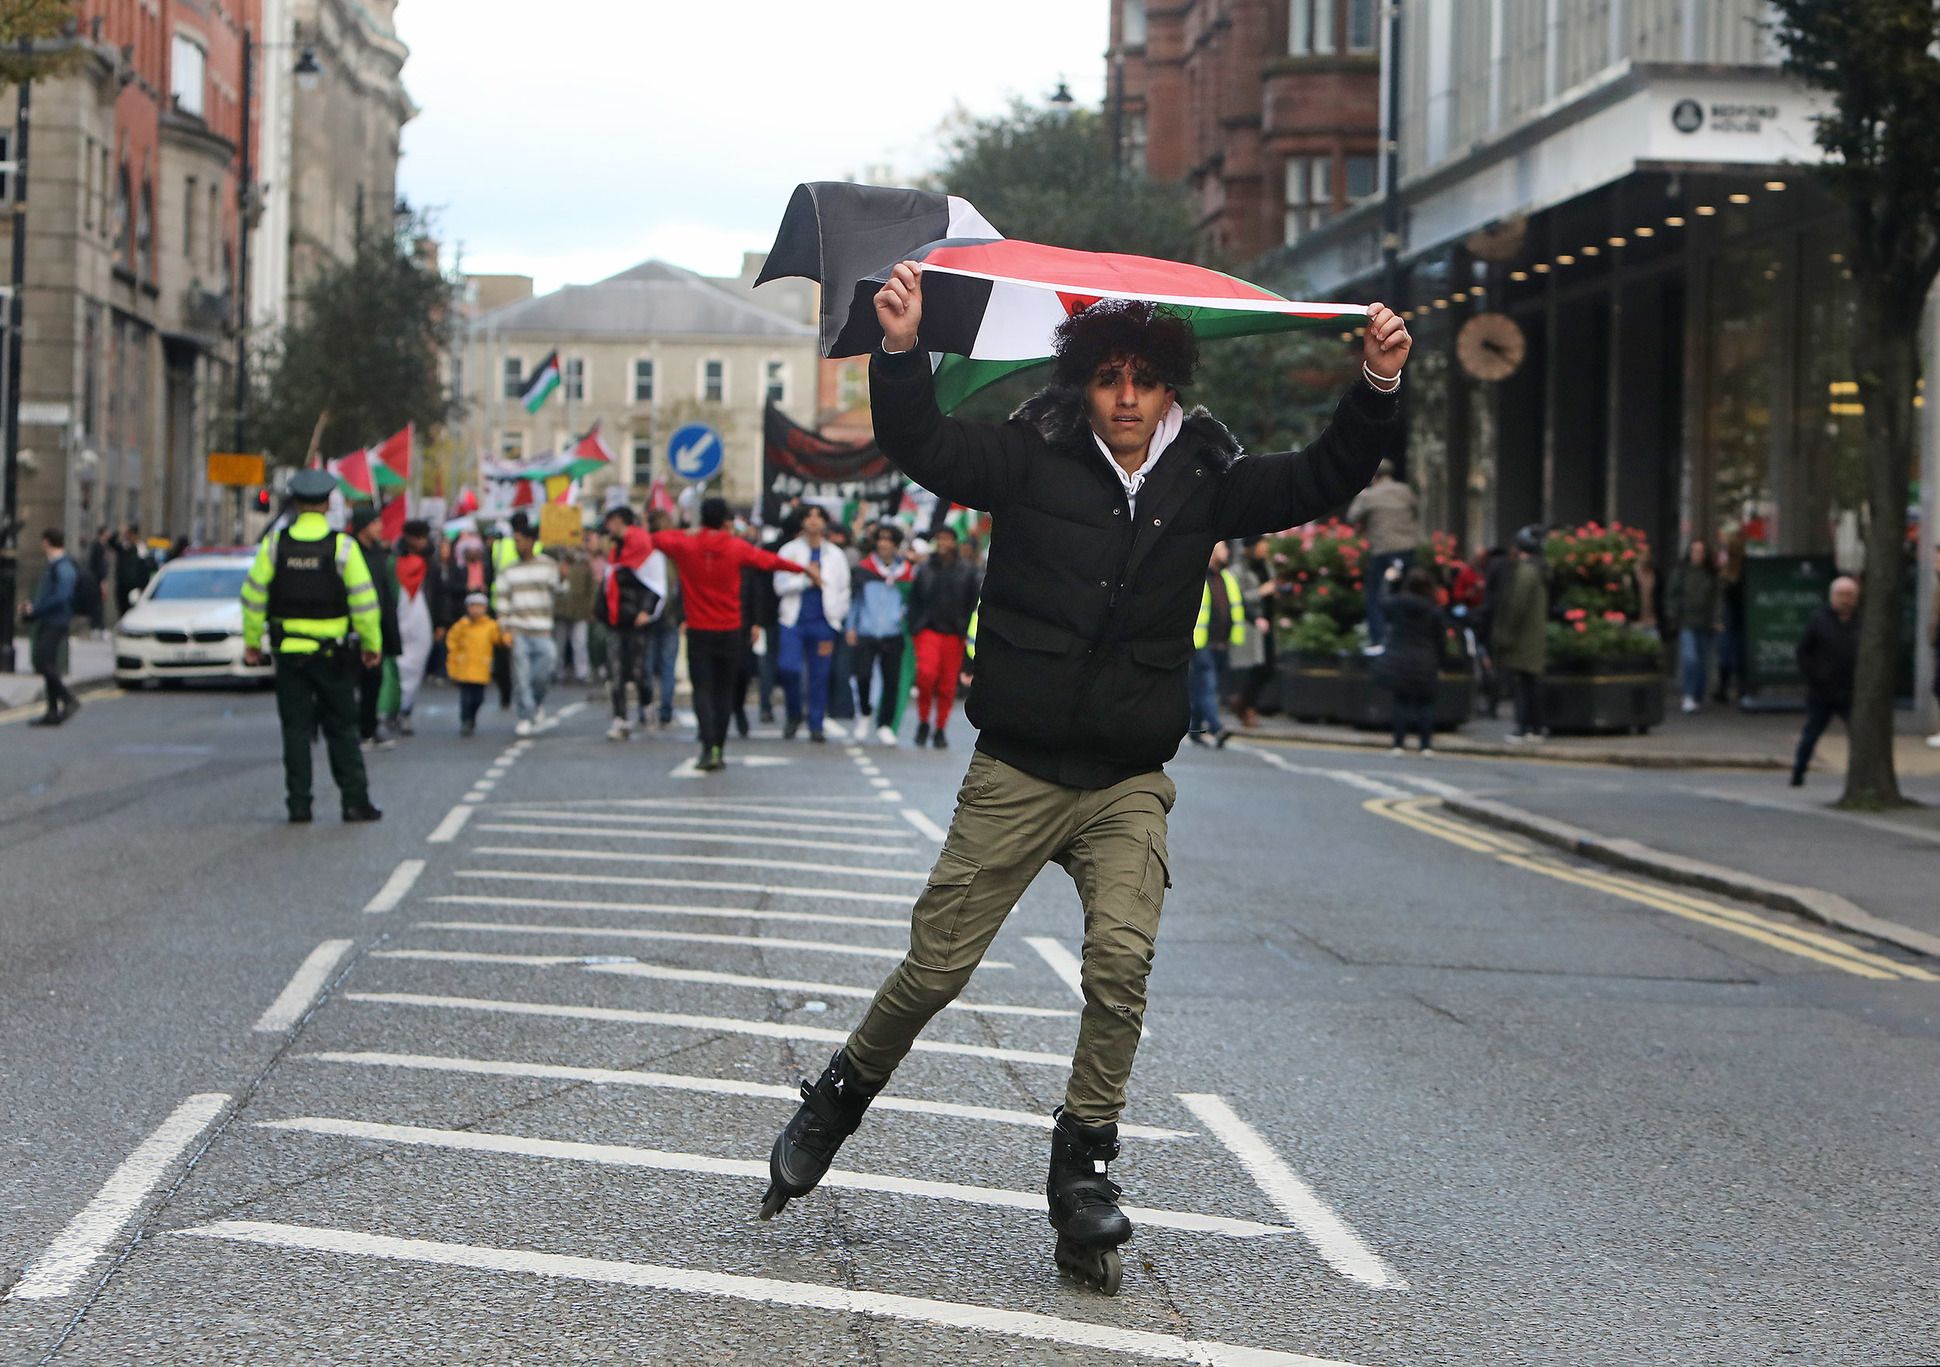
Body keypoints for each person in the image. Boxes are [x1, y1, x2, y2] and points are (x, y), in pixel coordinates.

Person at [758, 269, 1409, 1296]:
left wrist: (1374, 386)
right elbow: (925, 443)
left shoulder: (1207, 469)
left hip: (1124, 777)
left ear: (1167, 387)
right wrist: (898, 350)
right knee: (934, 971)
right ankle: (836, 1096)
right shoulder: (1030, 452)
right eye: (1107, 376)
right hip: (1017, 763)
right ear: (1083, 380)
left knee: (1119, 959)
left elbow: (1319, 480)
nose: (1124, 397)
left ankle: (1083, 1169)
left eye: (1143, 379)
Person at [239, 468, 382, 824]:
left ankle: (299, 805)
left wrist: (253, 641)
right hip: (332, 655)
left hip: (289, 653)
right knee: (342, 728)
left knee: (296, 731)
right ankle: (354, 802)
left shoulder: (275, 544)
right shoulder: (343, 546)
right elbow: (364, 603)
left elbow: (253, 596)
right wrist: (371, 643)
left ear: (297, 503)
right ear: (328, 502)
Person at [651, 496, 817, 771]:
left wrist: (686, 531)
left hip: (698, 630)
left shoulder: (685, 543)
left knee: (702, 690)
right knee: (724, 692)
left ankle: (707, 747)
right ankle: (719, 746)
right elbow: (769, 561)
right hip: (730, 630)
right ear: (727, 521)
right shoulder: (735, 546)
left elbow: (654, 539)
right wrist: (804, 570)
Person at [775, 505, 852, 742]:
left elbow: (842, 589)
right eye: (809, 516)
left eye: (819, 516)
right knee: (789, 668)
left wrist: (836, 618)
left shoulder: (835, 555)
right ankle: (794, 713)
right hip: (793, 622)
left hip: (823, 623)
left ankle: (816, 723)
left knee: (820, 675)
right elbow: (780, 585)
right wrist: (806, 580)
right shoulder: (789, 550)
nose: (814, 521)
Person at [907, 524, 978, 748]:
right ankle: (923, 720)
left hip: (954, 634)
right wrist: (915, 626)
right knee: (926, 676)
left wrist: (965, 630)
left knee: (947, 685)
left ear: (955, 542)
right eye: (940, 539)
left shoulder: (967, 571)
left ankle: (939, 727)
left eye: (948, 539)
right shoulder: (926, 568)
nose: (944, 544)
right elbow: (915, 599)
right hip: (928, 629)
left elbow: (971, 603)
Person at [847, 522, 915, 745]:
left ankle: (885, 724)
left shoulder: (906, 572)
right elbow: (855, 601)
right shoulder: (864, 569)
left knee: (891, 680)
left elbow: (913, 602)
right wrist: (851, 627)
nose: (884, 544)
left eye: (889, 540)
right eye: (881, 539)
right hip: (867, 631)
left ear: (896, 544)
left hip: (893, 633)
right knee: (863, 676)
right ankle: (864, 714)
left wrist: (903, 615)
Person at [1791, 576, 1860, 787]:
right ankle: (1798, 772)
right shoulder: (1819, 620)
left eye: (1849, 595)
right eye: (1841, 595)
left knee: (1859, 735)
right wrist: (1815, 676)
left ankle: (1857, 776)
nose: (1845, 600)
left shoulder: (1862, 621)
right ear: (1832, 597)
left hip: (1851, 690)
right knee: (1811, 733)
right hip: (1823, 689)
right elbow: (1803, 652)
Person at [1346, 459, 1421, 647]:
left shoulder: (1368, 495)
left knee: (1375, 597)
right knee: (1408, 594)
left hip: (1383, 551)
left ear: (1373, 476)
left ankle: (1380, 641)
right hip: (1407, 550)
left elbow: (1352, 517)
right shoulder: (1405, 491)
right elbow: (1416, 511)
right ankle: (1407, 639)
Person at [600, 510, 661, 742]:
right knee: (616, 672)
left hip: (636, 619)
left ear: (619, 522)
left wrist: (646, 610)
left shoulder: (642, 549)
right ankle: (620, 718)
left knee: (638, 671)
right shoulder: (616, 551)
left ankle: (646, 704)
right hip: (616, 619)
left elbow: (652, 583)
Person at [496, 513, 559, 737]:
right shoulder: (509, 570)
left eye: (520, 540)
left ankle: (536, 701)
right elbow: (502, 599)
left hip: (542, 629)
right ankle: (525, 715)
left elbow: (560, 591)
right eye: (515, 540)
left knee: (545, 670)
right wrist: (504, 627)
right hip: (518, 629)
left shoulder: (549, 566)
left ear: (531, 541)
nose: (516, 544)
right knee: (521, 676)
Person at [348, 508, 402, 750]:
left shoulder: (380, 553)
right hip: (352, 630)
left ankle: (368, 728)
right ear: (362, 527)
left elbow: (386, 593)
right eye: (375, 522)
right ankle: (352, 729)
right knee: (351, 683)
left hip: (377, 628)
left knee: (374, 680)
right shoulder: (349, 552)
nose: (380, 527)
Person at [1381, 567, 1448, 756]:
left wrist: (1388, 582)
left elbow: (1382, 603)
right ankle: (1426, 746)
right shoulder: (1433, 610)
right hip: (1426, 659)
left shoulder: (1398, 604)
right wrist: (1442, 663)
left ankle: (1398, 744)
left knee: (1401, 701)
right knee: (1426, 704)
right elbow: (1440, 640)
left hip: (1401, 658)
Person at [21, 528, 80, 727]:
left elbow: (62, 596)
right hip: (49, 620)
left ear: (46, 542)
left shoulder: (62, 566)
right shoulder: (56, 565)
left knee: (43, 663)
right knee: (48, 664)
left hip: (56, 621)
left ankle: (68, 699)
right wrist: (33, 609)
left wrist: (36, 609)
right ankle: (52, 711)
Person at [1495, 524, 1549, 742]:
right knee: (1531, 683)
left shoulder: (1526, 571)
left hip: (1524, 637)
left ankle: (1525, 727)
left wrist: (1505, 634)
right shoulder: (1539, 569)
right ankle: (1533, 728)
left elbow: (1517, 605)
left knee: (1524, 685)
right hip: (1533, 635)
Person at [1188, 541, 1243, 747]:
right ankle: (1216, 728)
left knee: (1202, 688)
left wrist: (1256, 619)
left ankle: (1194, 728)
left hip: (1222, 643)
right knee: (1208, 686)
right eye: (1222, 549)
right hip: (1202, 643)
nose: (1227, 552)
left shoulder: (1227, 578)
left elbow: (1239, 604)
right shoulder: (1199, 577)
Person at [393, 521, 438, 735]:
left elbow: (439, 592)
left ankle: (405, 708)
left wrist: (440, 622)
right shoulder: (393, 560)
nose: (423, 542)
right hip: (399, 615)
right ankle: (393, 707)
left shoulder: (430, 561)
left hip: (420, 617)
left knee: (416, 662)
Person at [444, 592, 507, 737]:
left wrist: (506, 638)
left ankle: (471, 718)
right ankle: (466, 720)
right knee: (466, 698)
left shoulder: (490, 626)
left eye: (479, 606)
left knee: (478, 698)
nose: (476, 610)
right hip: (465, 668)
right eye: (472, 606)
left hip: (481, 669)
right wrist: (454, 659)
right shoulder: (461, 625)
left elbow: (498, 638)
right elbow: (452, 641)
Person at [1667, 537, 1718, 714]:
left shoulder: (1710, 574)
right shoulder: (1681, 572)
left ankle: (1697, 694)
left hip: (1705, 622)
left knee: (1703, 661)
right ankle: (1688, 694)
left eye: (1700, 551)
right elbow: (1672, 595)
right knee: (1690, 658)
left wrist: (1717, 619)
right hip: (1686, 620)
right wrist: (1673, 614)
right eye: (1694, 551)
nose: (1697, 555)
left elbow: (1716, 598)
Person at [642, 508, 682, 729]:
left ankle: (648, 707)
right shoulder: (674, 550)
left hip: (651, 613)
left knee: (648, 663)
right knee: (667, 665)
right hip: (670, 614)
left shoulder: (646, 550)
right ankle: (665, 709)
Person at [1230, 538, 1275, 729]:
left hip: (1269, 621)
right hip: (1251, 624)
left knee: (1268, 667)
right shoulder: (1239, 569)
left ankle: (1242, 703)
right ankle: (1246, 707)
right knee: (1257, 667)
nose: (1267, 548)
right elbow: (1237, 596)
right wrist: (1261, 592)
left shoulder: (1267, 565)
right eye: (1263, 544)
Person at [554, 542, 596, 685]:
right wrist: (560, 575)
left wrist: (591, 609)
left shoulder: (584, 564)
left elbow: (591, 589)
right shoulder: (557, 564)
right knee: (559, 643)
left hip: (580, 610)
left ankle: (582, 672)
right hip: (561, 610)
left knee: (580, 643)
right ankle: (558, 672)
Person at [114, 522, 152, 613]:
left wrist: (143, 587)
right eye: (127, 534)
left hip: (135, 588)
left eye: (129, 534)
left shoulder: (141, 549)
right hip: (122, 587)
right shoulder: (124, 547)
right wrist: (119, 532)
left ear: (134, 535)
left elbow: (146, 569)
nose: (128, 537)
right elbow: (111, 542)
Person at [85, 527, 111, 637]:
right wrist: (102, 582)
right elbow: (99, 566)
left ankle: (98, 627)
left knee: (99, 604)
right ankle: (97, 627)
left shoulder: (100, 546)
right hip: (96, 580)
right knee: (97, 604)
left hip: (97, 579)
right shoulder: (98, 547)